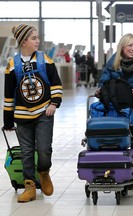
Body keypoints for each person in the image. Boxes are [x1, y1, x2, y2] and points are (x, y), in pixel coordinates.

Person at [3, 24, 63, 203]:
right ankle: (30, 186)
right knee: (27, 152)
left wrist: (54, 103)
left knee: (44, 149)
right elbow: (8, 95)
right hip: (22, 116)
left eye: (37, 37)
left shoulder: (45, 60)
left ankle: (44, 172)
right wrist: (7, 121)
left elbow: (56, 84)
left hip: (44, 113)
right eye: (33, 38)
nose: (37, 41)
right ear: (23, 42)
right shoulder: (12, 65)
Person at [95, 33, 133, 172]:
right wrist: (99, 89)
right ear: (122, 47)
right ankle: (118, 171)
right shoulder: (113, 64)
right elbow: (103, 82)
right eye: (130, 45)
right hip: (116, 111)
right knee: (118, 141)